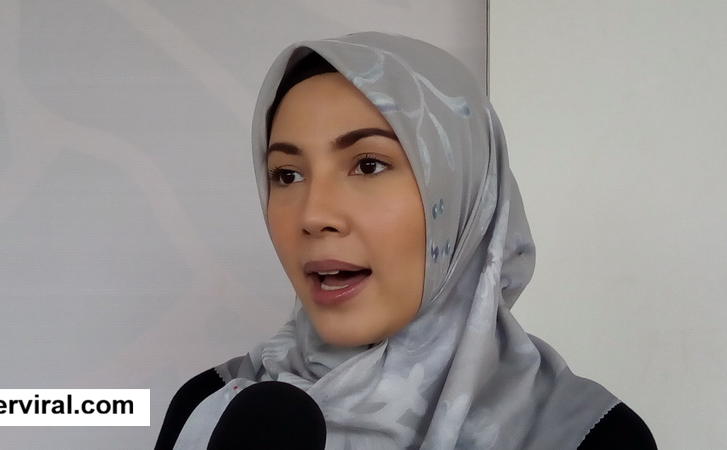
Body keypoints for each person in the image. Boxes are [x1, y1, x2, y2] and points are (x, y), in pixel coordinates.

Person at [156, 32, 656, 449]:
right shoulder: (209, 409)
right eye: (287, 175)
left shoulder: (591, 438)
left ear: (461, 195)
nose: (313, 215)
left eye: (368, 165)